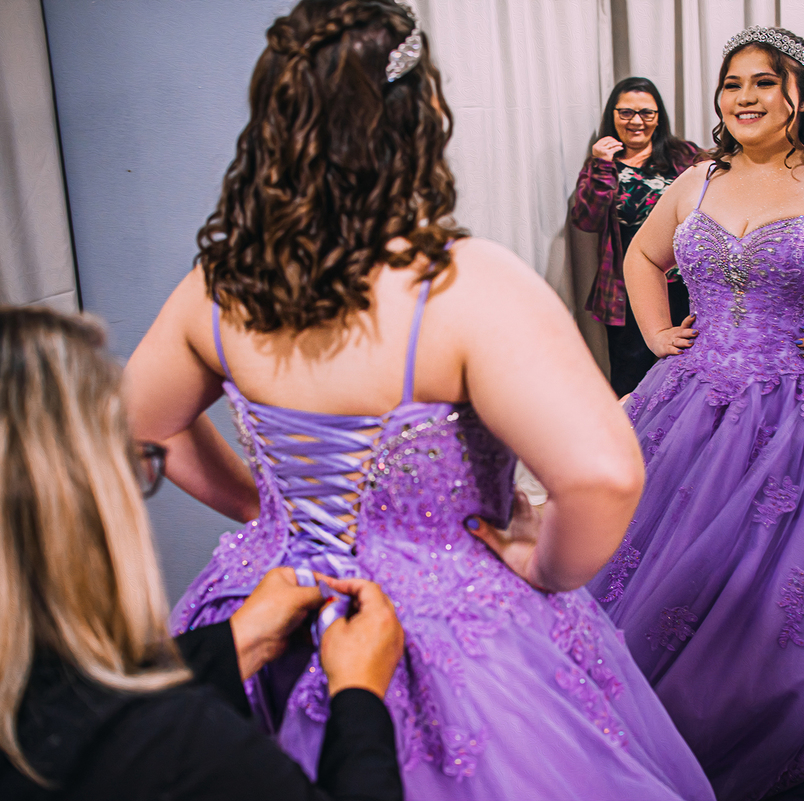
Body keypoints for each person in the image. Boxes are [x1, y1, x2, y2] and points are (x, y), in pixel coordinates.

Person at [123, 2, 714, 799]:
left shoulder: (220, 286)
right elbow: (606, 477)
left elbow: (142, 424)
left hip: (270, 603)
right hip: (453, 623)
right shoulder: (466, 284)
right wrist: (541, 563)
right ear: (423, 116)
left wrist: (269, 508)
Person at [0, 307, 406, 801]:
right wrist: (359, 700)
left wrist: (231, 644)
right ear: (73, 507)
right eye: (132, 462)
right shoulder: (178, 750)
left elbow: (50, 707)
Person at [586, 27, 804, 801]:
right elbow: (643, 256)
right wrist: (656, 332)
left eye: (763, 82)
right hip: (692, 407)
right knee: (654, 574)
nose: (745, 97)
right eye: (732, 84)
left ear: (799, 92)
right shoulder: (697, 180)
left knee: (780, 600)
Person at [571, 77, 701, 396]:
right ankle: (632, 443)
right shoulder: (605, 163)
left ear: (659, 117)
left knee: (688, 371)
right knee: (632, 377)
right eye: (627, 112)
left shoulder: (685, 156)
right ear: (613, 115)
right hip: (627, 289)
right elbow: (586, 220)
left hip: (687, 285)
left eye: (647, 112)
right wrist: (601, 165)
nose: (637, 121)